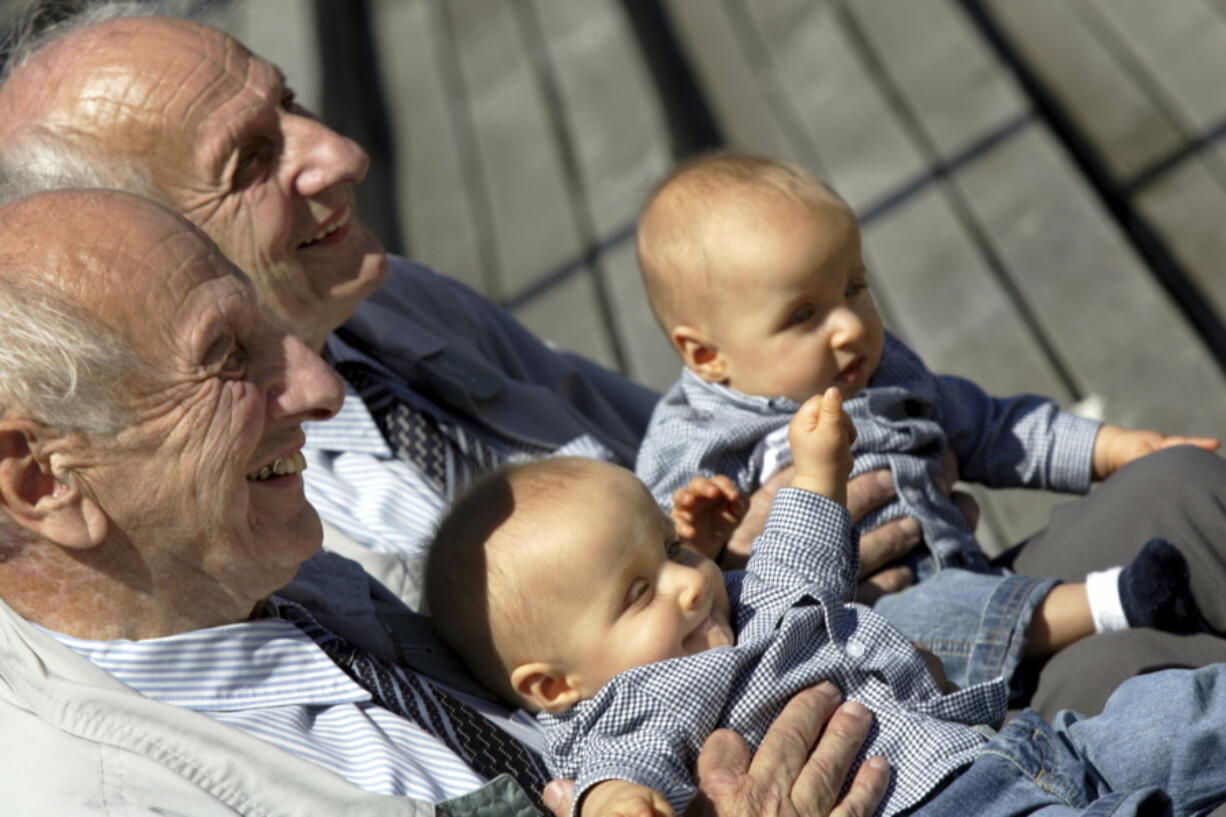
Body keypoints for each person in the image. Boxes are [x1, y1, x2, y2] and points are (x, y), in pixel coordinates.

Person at [0, 185, 892, 817]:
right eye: (228, 358)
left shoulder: (246, 570)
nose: (319, 386)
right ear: (42, 479)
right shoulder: (113, 796)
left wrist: (736, 563)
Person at [426, 389, 1226, 817]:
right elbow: (616, 773)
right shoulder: (632, 713)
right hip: (946, 806)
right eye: (639, 592)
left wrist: (816, 475)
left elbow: (793, 562)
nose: (689, 579)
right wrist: (612, 805)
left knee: (1176, 716)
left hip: (1009, 746)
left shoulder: (736, 614)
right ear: (552, 685)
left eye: (669, 549)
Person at [633, 152, 1222, 689]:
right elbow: (662, 577)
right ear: (708, 355)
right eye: (804, 314)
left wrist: (1113, 447)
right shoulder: (698, 438)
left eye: (855, 288)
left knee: (1181, 486)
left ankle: (1121, 612)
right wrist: (697, 540)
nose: (850, 326)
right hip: (881, 648)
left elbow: (994, 428)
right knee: (914, 616)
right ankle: (1115, 600)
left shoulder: (881, 372)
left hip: (975, 579)